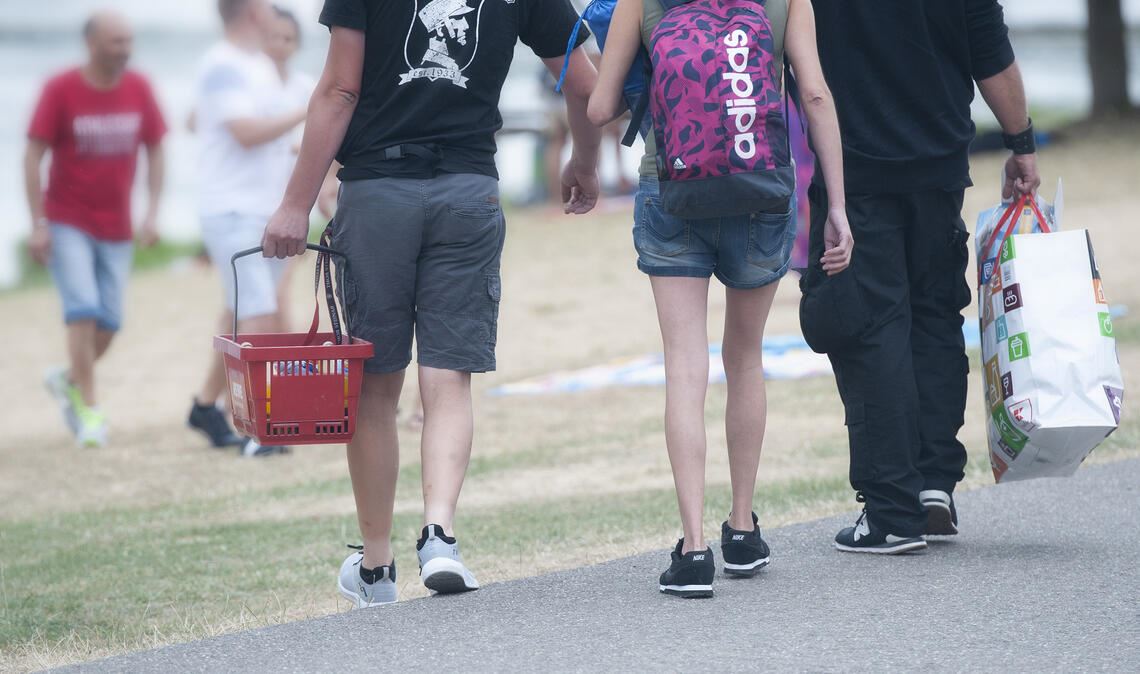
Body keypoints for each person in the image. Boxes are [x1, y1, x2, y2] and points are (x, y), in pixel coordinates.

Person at [260, 0, 602, 606]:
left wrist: (295, 202)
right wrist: (584, 161)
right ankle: (439, 535)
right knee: (448, 377)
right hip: (468, 191)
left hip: (378, 193)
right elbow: (583, 82)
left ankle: (376, 566)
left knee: (374, 386)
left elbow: (340, 89)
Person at [588, 0, 853, 597]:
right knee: (744, 359)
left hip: (672, 189)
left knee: (686, 365)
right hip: (761, 186)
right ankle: (741, 528)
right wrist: (835, 205)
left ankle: (693, 548)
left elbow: (600, 106)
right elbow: (813, 95)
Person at [803, 0, 1041, 553]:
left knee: (872, 327)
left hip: (854, 169)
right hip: (938, 166)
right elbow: (992, 55)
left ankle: (891, 510)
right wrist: (1021, 143)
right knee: (935, 319)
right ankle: (935, 483)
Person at [26, 11, 167, 448]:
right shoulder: (60, 88)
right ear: (91, 44)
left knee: (109, 323)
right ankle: (90, 409)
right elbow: (32, 156)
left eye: (128, 41)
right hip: (68, 220)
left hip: (117, 226)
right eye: (115, 42)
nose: (124, 49)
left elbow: (157, 149)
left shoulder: (139, 88)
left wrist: (151, 214)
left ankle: (67, 379)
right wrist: (38, 224)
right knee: (82, 308)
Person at [186, 0, 306, 457]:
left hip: (267, 210)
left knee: (245, 314)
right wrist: (310, 109)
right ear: (250, 12)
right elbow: (245, 132)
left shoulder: (256, 66)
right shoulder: (222, 64)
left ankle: (204, 407)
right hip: (233, 210)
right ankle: (262, 431)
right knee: (258, 315)